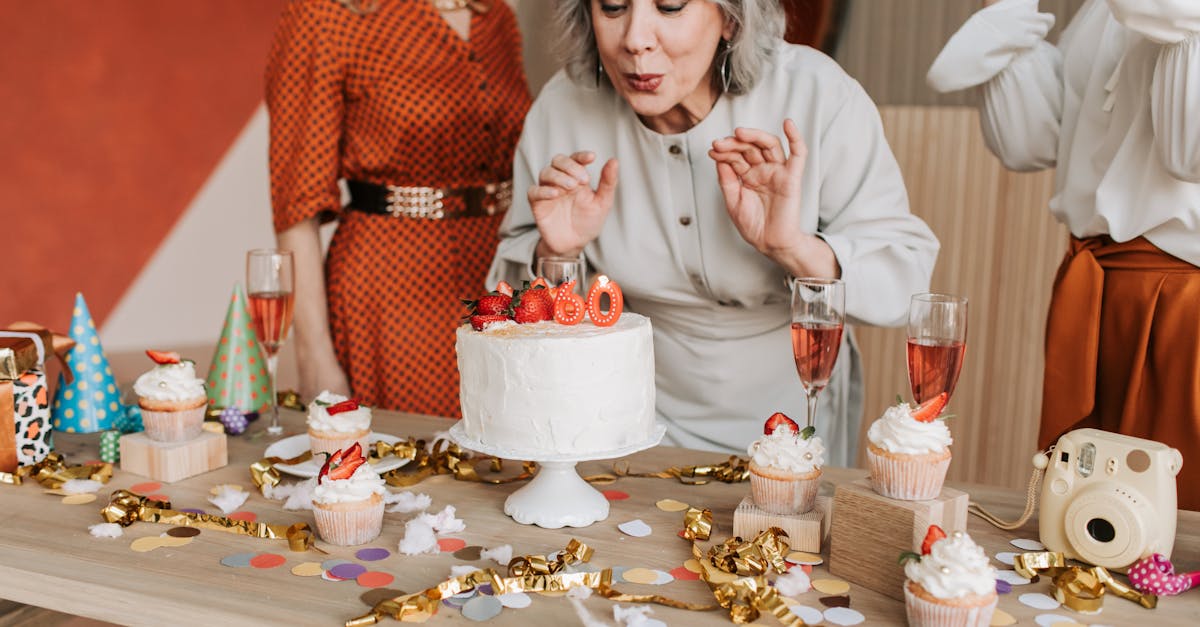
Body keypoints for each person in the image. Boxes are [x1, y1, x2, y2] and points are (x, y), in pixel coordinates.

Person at [487, 0, 938, 465]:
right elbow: (516, 312)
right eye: (614, 7)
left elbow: (903, 280)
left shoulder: (815, 93)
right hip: (627, 418)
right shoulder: (563, 106)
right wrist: (559, 253)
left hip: (792, 417)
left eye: (670, 7)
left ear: (730, 17)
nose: (635, 38)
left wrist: (793, 248)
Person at [928, 0, 1200, 507]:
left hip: (1181, 303)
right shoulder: (1098, 11)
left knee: (1172, 522)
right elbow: (1032, 142)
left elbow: (1191, 152)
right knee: (1087, 511)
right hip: (1096, 285)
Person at [266, 0, 531, 416]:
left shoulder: (495, 15)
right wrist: (313, 355)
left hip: (499, 278)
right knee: (415, 464)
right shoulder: (325, 14)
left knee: (505, 459)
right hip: (391, 288)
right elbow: (298, 203)